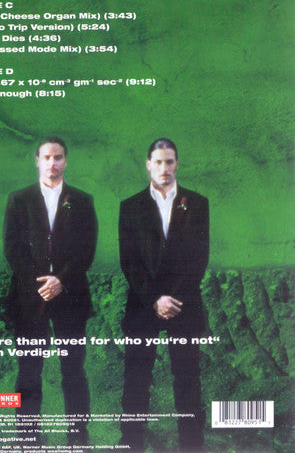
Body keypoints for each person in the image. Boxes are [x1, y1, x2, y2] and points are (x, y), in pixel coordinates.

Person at [4, 137, 97, 446]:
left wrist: (61, 281)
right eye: (46, 157)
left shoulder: (82, 200)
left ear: (65, 161)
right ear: (37, 161)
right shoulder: (19, 199)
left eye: (58, 157)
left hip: (71, 296)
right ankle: (27, 440)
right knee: (29, 371)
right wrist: (42, 283)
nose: (52, 163)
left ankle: (78, 439)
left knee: (74, 370)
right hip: (30, 299)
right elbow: (13, 250)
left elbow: (87, 250)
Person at [119, 138, 209, 452]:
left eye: (169, 161)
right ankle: (130, 444)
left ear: (177, 164)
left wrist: (172, 297)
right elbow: (129, 261)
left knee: (187, 378)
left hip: (185, 304)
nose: (164, 168)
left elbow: (199, 258)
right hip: (143, 305)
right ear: (148, 165)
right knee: (136, 379)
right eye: (158, 162)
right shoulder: (130, 206)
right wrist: (155, 298)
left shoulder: (197, 203)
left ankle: (192, 445)